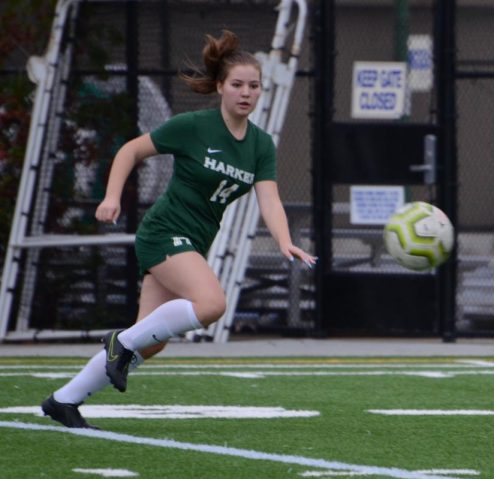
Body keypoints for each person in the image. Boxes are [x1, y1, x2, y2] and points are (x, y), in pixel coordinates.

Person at [40, 30, 316, 430]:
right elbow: (131, 149)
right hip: (165, 232)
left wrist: (285, 240)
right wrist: (111, 197)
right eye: (237, 85)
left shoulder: (260, 145)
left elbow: (269, 200)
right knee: (211, 304)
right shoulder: (194, 126)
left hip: (194, 243)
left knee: (150, 342)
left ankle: (63, 400)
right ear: (220, 87)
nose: (246, 93)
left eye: (254, 86)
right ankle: (120, 341)